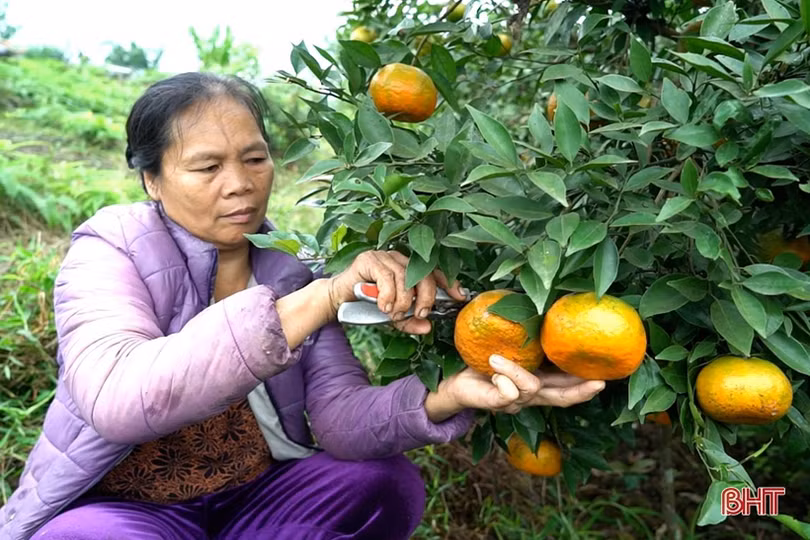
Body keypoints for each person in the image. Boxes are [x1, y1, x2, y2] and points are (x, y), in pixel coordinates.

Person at [0, 72, 606, 540]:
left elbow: (340, 417)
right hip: (128, 507)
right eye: (207, 166)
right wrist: (325, 294)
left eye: (255, 158)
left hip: (251, 496)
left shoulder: (286, 266)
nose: (239, 183)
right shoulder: (111, 248)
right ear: (152, 179)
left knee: (382, 485)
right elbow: (120, 400)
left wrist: (451, 393)